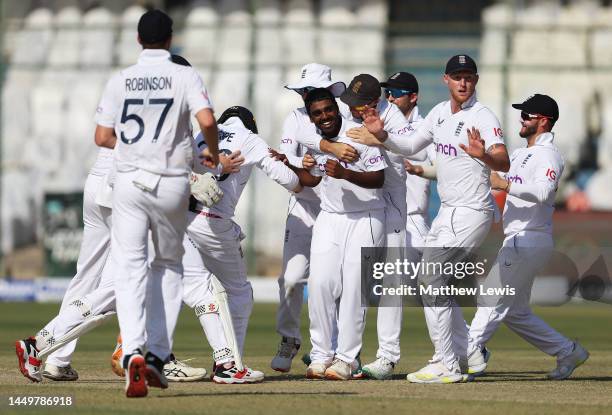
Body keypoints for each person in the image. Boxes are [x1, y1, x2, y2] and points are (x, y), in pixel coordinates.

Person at [15, 53, 222, 387]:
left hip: (99, 184)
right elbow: (165, 151)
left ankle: (57, 360)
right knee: (127, 280)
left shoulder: (134, 89)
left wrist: (196, 169)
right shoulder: (176, 99)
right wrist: (195, 176)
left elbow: (124, 140)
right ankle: (47, 344)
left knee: (89, 277)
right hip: (126, 190)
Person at [349, 54, 510, 383]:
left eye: (468, 77)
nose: (463, 82)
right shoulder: (438, 114)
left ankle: (447, 364)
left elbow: (504, 161)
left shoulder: (483, 115)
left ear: (475, 81)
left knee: (430, 278)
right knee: (437, 283)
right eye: (457, 77)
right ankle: (458, 356)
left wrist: (485, 155)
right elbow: (408, 146)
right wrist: (382, 135)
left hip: (472, 211)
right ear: (446, 80)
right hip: (447, 212)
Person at [94, 9, 219, 397]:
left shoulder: (121, 79)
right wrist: (210, 154)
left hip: (129, 182)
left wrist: (136, 148)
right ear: (170, 39)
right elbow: (207, 120)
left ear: (137, 39)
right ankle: (156, 355)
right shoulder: (183, 75)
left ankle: (131, 349)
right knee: (168, 264)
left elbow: (102, 136)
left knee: (129, 268)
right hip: (170, 182)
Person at [468, 94, 589, 380]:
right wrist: (483, 156)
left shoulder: (549, 155)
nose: (521, 119)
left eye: (527, 115)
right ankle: (568, 350)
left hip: (529, 238)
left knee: (490, 300)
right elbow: (495, 176)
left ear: (543, 121)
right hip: (518, 238)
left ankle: (463, 355)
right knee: (514, 312)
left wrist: (505, 184)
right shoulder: (521, 154)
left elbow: (545, 192)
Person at [274, 88, 387, 380]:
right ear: (311, 117)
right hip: (330, 216)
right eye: (317, 113)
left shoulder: (359, 134)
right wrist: (287, 164)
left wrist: (346, 173)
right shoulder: (318, 142)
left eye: (328, 110)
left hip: (366, 218)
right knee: (321, 284)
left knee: (353, 288)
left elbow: (379, 178)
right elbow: (312, 179)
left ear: (337, 109)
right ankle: (322, 354)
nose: (324, 117)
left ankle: (347, 359)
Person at [183, 106, 301, 383]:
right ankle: (228, 364)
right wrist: (304, 183)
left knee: (184, 288)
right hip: (212, 221)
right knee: (239, 292)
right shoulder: (249, 138)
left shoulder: (204, 135)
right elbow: (286, 178)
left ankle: (147, 351)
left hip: (180, 219)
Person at [271, 63, 346, 373]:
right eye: (302, 91)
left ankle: (338, 350)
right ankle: (289, 339)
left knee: (336, 283)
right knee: (290, 279)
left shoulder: (342, 117)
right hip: (303, 207)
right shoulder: (295, 118)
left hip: (338, 209)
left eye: (310, 90)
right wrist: (301, 167)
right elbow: (289, 165)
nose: (305, 96)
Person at [360, 72, 436, 380]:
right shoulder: (382, 122)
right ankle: (343, 349)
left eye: (397, 93)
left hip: (414, 220)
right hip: (387, 213)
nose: (390, 97)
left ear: (413, 97)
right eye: (387, 93)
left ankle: (387, 357)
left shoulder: (423, 126)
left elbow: (417, 153)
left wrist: (381, 139)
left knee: (424, 288)